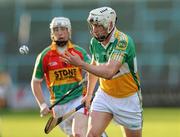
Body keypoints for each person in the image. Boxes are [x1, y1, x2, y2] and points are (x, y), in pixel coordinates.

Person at [62, 7, 143, 137]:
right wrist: (89, 94)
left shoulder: (123, 42)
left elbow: (109, 72)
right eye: (93, 25)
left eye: (99, 25)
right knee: (92, 135)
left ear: (110, 24)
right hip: (105, 95)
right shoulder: (95, 42)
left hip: (128, 98)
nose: (95, 29)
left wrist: (81, 64)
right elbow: (95, 66)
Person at [31, 17, 91, 137]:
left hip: (78, 99)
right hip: (58, 106)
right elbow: (35, 82)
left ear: (69, 31)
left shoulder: (79, 52)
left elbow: (93, 70)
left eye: (63, 29)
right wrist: (42, 104)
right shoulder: (44, 56)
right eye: (56, 29)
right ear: (52, 33)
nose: (60, 32)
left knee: (78, 134)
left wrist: (89, 78)